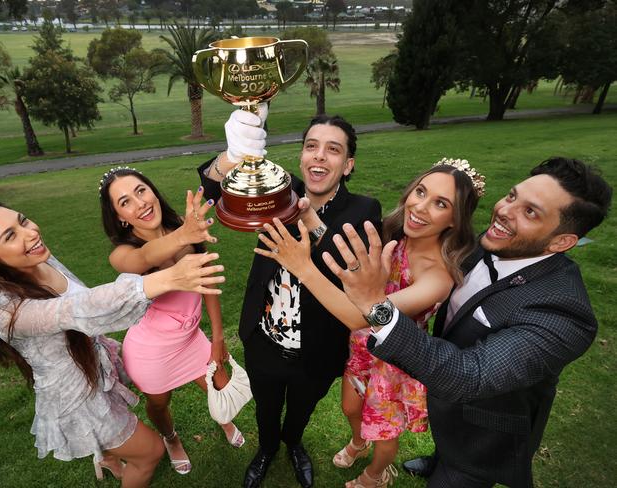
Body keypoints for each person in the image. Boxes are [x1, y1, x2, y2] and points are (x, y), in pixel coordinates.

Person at [320, 157, 612, 488]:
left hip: (479, 435)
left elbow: (468, 376)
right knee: (441, 452)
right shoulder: (493, 242)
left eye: (530, 212)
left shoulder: (564, 314)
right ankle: (436, 458)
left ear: (561, 242)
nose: (504, 210)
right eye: (513, 196)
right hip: (437, 393)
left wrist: (376, 305)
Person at [254, 158, 484, 488]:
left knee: (383, 431)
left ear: (455, 219)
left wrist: (303, 268)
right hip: (362, 349)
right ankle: (358, 443)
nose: (419, 207)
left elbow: (360, 315)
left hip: (394, 363)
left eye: (440, 204)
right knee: (351, 408)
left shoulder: (438, 275)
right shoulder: (394, 234)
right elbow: (342, 253)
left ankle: (375, 475)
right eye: (420, 192)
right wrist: (309, 216)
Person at [0, 200, 225, 488]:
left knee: (128, 432)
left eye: (23, 220)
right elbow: (80, 308)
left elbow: (80, 299)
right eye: (10, 236)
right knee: (150, 452)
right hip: (78, 398)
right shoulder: (6, 312)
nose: (30, 233)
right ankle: (114, 455)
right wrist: (168, 278)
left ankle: (107, 456)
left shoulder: (38, 259)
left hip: (95, 362)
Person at [199, 107, 382, 488]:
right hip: (263, 336)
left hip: (318, 346)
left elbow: (348, 265)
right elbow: (215, 190)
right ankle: (266, 449)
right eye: (311, 146)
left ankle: (294, 444)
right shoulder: (279, 191)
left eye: (332, 150)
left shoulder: (364, 210)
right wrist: (232, 156)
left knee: (301, 408)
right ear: (301, 155)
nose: (319, 155)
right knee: (266, 407)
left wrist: (311, 222)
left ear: (347, 165)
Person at [98, 167, 245, 476]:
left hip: (192, 338)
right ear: (120, 217)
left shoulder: (181, 224)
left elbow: (208, 282)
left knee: (219, 384)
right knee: (159, 403)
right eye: (125, 202)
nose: (139, 204)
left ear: (152, 190)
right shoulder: (123, 254)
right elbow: (145, 258)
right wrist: (183, 235)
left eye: (140, 191)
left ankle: (224, 418)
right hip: (151, 351)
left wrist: (218, 338)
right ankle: (170, 437)